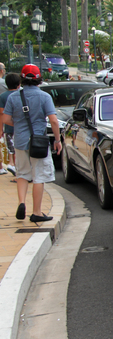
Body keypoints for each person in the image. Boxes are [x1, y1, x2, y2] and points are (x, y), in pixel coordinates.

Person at [2, 65, 62, 222]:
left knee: (22, 174)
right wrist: (57, 140)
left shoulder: (13, 97)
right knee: (38, 177)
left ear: (22, 79)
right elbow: (54, 121)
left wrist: (20, 126)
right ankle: (36, 212)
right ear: (39, 79)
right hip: (38, 142)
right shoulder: (44, 97)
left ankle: (22, 203)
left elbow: (6, 119)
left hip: (20, 141)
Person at [0, 72, 19, 177]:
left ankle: (13, 166)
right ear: (19, 83)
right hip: (21, 127)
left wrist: (0, 129)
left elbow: (1, 113)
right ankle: (17, 169)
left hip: (8, 127)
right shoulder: (21, 94)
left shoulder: (3, 96)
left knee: (12, 149)